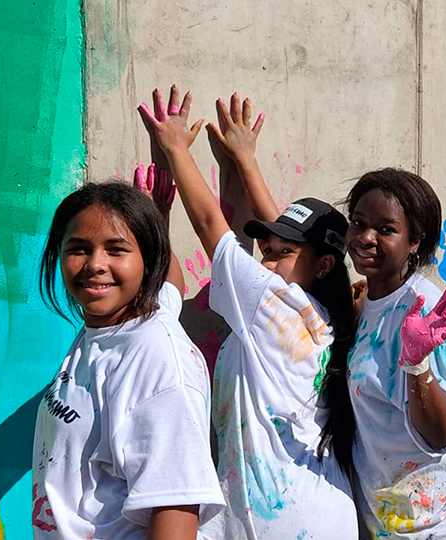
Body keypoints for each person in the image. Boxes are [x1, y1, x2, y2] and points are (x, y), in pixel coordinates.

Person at [140, 85, 359, 539]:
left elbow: (209, 225)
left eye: (282, 253)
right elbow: (287, 240)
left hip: (278, 522)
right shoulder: (318, 315)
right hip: (313, 515)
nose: (266, 260)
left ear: (322, 265)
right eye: (266, 250)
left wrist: (176, 148)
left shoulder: (273, 306)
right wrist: (245, 162)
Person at [31, 179, 223, 539]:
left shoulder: (157, 362)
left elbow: (177, 507)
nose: (95, 265)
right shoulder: (125, 317)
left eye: (116, 250)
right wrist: (157, 212)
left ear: (148, 262)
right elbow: (172, 285)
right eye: (78, 249)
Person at [344, 168, 446, 539]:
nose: (366, 237)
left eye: (386, 229)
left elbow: (442, 436)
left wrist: (417, 365)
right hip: (394, 523)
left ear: (414, 241)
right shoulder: (366, 301)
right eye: (358, 223)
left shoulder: (426, 311)